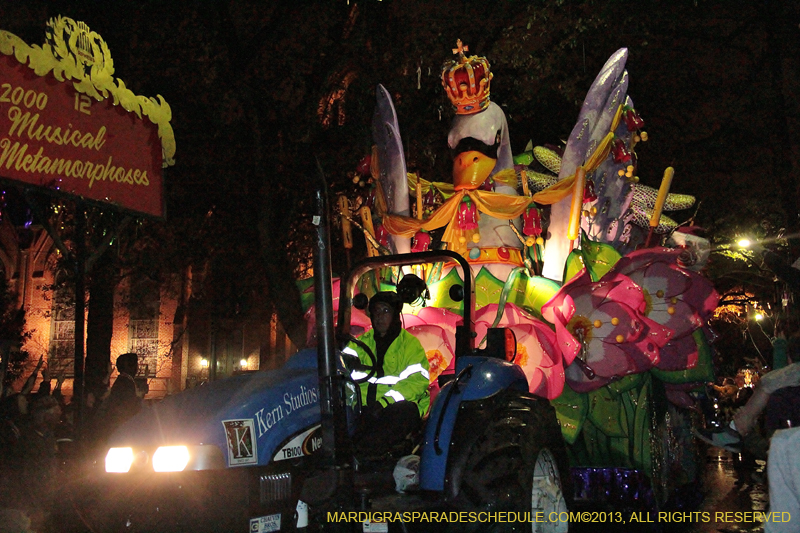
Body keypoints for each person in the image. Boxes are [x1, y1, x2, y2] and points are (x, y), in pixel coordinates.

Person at [344, 291, 430, 457]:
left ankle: (367, 456)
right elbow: (343, 373)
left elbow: (416, 383)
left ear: (395, 315)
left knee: (403, 413)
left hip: (394, 408)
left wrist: (382, 404)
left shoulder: (410, 346)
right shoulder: (359, 344)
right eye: (376, 311)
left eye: (385, 311)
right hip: (363, 410)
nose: (380, 317)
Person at [91, 353, 142, 447]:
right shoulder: (126, 383)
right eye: (136, 364)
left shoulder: (123, 381)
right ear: (130, 366)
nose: (137, 368)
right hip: (121, 431)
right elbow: (127, 408)